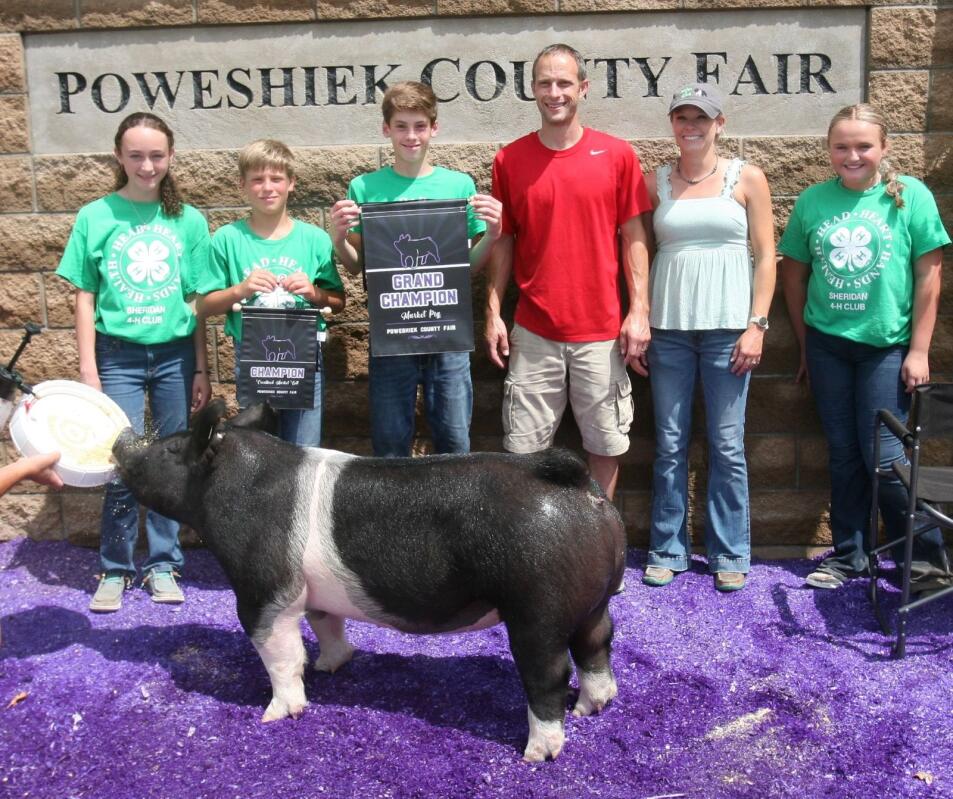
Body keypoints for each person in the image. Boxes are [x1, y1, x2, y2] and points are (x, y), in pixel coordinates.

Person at [779, 103, 952, 593]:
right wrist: (807, 343)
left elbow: (929, 275)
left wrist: (918, 351)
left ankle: (924, 561)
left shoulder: (909, 197)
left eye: (863, 146)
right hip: (829, 349)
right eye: (841, 146)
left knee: (886, 459)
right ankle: (850, 556)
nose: (851, 155)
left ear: (884, 148)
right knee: (843, 454)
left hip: (886, 349)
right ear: (829, 150)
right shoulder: (814, 200)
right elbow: (794, 272)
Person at [56, 111, 212, 613]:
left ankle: (163, 563)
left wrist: (201, 368)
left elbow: (197, 303)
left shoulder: (188, 220)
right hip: (116, 356)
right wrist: (88, 370)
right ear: (119, 156)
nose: (147, 166)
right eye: (137, 155)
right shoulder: (95, 216)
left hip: (173, 355)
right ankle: (116, 567)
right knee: (121, 461)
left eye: (157, 155)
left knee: (170, 459)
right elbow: (84, 296)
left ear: (170, 157)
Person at [486, 43, 652, 502]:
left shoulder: (617, 155)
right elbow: (503, 241)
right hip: (534, 330)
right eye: (544, 83)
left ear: (583, 88)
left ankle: (600, 555)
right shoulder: (510, 160)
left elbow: (635, 237)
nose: (554, 92)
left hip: (600, 332)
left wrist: (639, 310)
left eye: (564, 83)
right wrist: (494, 311)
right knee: (524, 453)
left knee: (604, 447)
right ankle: (536, 558)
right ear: (532, 89)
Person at [641, 84, 776, 593]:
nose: (691, 126)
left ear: (720, 123)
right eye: (682, 117)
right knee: (670, 444)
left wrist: (756, 325)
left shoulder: (748, 178)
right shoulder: (654, 182)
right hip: (670, 332)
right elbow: (636, 248)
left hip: (729, 334)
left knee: (726, 445)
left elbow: (766, 255)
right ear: (673, 124)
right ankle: (667, 549)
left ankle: (729, 552)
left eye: (702, 117)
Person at [330, 81, 502, 457]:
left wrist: (492, 234)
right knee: (390, 446)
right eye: (402, 126)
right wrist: (338, 238)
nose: (411, 136)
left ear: (434, 128)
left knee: (455, 442)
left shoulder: (459, 185)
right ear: (386, 129)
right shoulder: (364, 187)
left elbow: (467, 269)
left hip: (447, 336)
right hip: (393, 336)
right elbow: (359, 266)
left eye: (420, 126)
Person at [197, 139, 345, 446]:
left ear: (292, 183)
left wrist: (314, 293)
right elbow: (204, 305)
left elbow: (338, 302)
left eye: (276, 179)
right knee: (259, 454)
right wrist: (240, 289)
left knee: (303, 451)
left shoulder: (314, 239)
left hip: (305, 358)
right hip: (252, 358)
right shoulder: (227, 239)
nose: (267, 187)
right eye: (257, 180)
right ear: (243, 185)